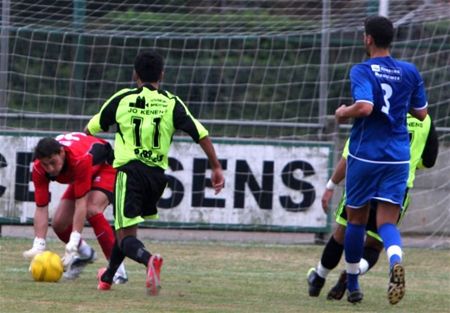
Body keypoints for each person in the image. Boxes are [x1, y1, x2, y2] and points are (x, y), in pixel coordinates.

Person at [85, 50, 224, 295]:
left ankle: (150, 260)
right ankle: (107, 277)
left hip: (129, 174)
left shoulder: (123, 99)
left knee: (123, 236)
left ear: (135, 75)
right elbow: (201, 134)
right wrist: (215, 166)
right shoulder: (171, 102)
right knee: (125, 232)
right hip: (157, 179)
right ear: (161, 74)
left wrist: (94, 158)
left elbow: (90, 129)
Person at [334, 15, 428, 304]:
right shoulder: (410, 71)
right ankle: (394, 261)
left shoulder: (362, 70)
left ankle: (352, 284)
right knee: (387, 222)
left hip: (367, 155)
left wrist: (342, 112)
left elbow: (365, 107)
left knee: (356, 220)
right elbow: (422, 113)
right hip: (398, 158)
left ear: (368, 39)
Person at [307, 113, 438, 300]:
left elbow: (348, 156)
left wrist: (331, 185)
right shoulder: (425, 119)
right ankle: (359, 271)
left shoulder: (374, 111)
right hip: (398, 184)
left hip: (365, 178)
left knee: (344, 231)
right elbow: (429, 161)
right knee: (377, 242)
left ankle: (319, 277)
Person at [23, 132, 128, 283]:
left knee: (92, 209)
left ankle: (118, 271)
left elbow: (81, 204)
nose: (50, 169)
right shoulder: (39, 168)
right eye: (46, 164)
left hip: (106, 166)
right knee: (59, 223)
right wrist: (38, 245)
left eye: (53, 162)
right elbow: (41, 207)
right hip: (84, 172)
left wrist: (74, 238)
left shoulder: (79, 159)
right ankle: (86, 254)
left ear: (62, 152)